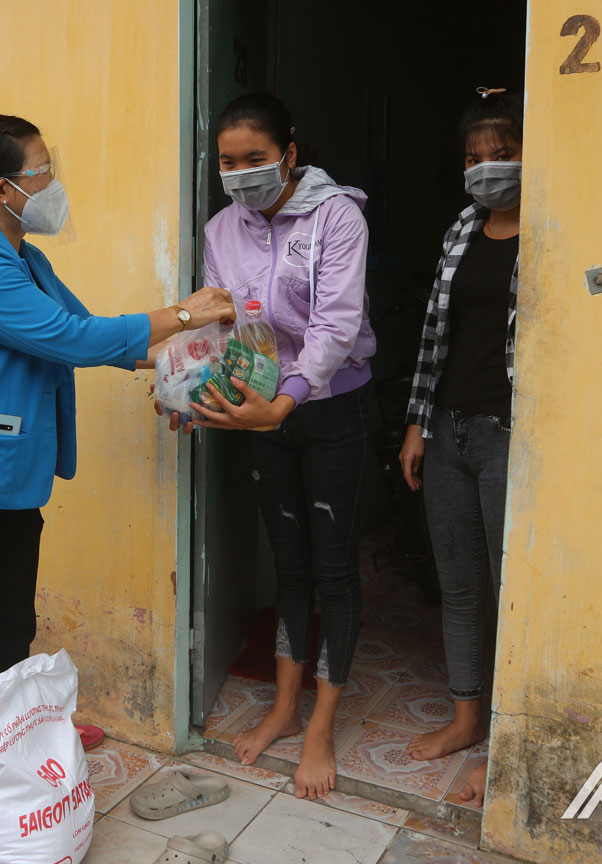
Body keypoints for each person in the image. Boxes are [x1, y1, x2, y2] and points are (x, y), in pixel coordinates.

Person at [0, 114, 233, 863]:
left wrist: (193, 359)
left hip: (11, 491)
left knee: (9, 642)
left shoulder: (26, 260)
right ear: (4, 188)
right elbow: (73, 341)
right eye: (42, 171)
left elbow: (85, 329)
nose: (54, 184)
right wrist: (184, 311)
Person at [166, 93, 377, 800]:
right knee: (288, 563)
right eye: (229, 162)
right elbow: (222, 321)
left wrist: (287, 403)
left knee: (333, 567)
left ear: (289, 153)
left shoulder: (337, 216)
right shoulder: (221, 228)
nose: (241, 173)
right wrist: (192, 391)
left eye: (255, 159)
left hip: (331, 402)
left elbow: (336, 324)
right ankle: (285, 710)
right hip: (260, 406)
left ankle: (321, 722)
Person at [398, 87, 524, 807]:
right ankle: (466, 720)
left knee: (511, 593)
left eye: (501, 154)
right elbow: (432, 339)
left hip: (511, 437)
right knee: (460, 584)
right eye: (474, 157)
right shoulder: (460, 230)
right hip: (449, 430)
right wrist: (417, 422)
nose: (486, 169)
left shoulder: (551, 232)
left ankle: (507, 736)